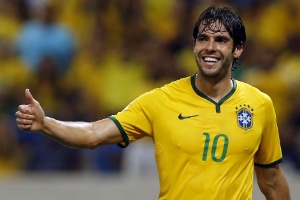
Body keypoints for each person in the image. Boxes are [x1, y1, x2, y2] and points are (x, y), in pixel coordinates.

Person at [15, 5, 291, 200]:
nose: (210, 47)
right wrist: (46, 123)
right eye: (203, 39)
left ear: (238, 48)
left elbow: (272, 181)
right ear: (193, 45)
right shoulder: (160, 101)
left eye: (221, 40)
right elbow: (93, 134)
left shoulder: (259, 104)